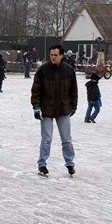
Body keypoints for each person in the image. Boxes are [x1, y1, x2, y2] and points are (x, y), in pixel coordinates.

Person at [31, 45, 77, 176]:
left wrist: (73, 106)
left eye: (56, 55)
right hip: (47, 109)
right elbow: (36, 90)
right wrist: (36, 107)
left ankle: (70, 163)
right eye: (51, 55)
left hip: (64, 108)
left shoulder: (68, 70)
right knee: (46, 138)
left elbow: (74, 90)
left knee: (66, 139)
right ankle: (42, 164)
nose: (53, 57)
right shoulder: (43, 70)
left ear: (61, 55)